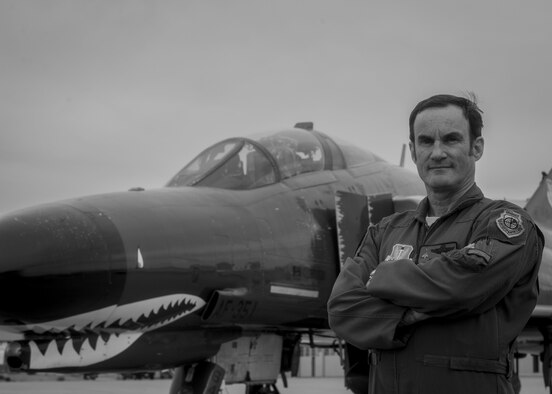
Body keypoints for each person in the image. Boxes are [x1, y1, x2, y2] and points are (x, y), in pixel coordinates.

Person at [327, 94, 544, 394]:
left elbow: (463, 285)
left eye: (452, 139)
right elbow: (342, 310)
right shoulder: (386, 230)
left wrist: (383, 278)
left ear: (476, 147)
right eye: (426, 141)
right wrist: (407, 317)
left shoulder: (504, 223)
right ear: (414, 152)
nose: (437, 152)